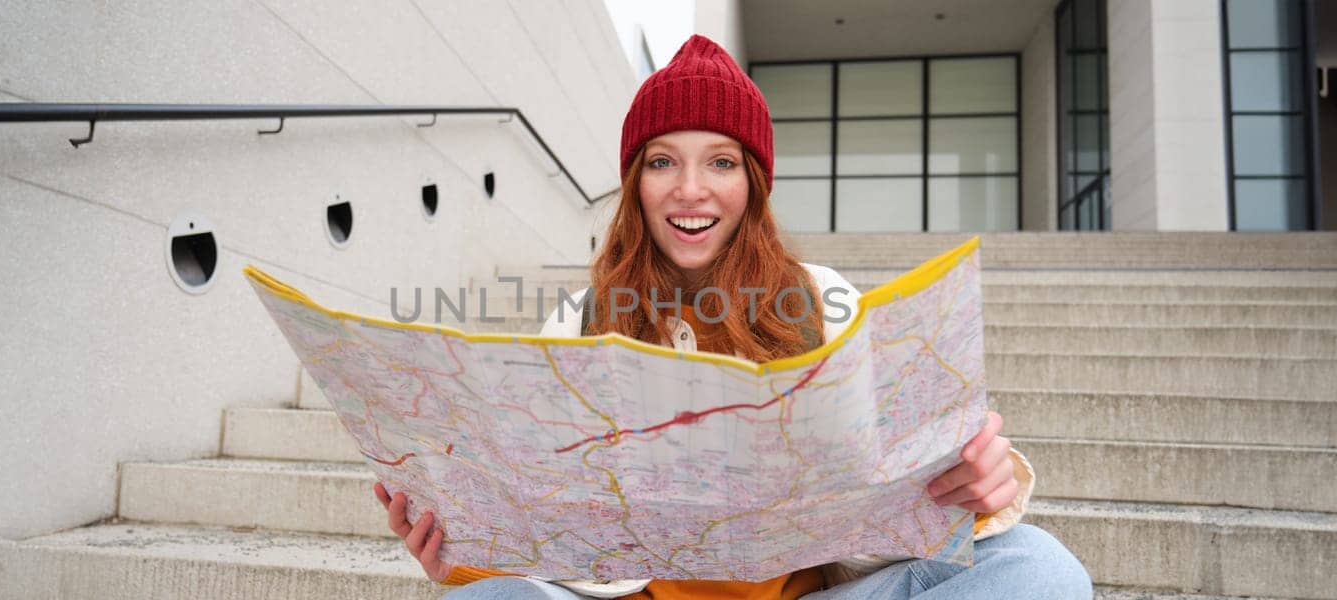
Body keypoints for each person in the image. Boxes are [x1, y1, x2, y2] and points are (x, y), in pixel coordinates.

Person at [373, 34, 1093, 599]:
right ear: (635, 182)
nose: (691, 191)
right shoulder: (577, 322)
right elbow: (550, 541)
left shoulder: (824, 299)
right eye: (662, 162)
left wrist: (978, 482)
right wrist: (459, 554)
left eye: (720, 162)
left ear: (753, 181)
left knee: (1040, 570)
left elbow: (900, 504)